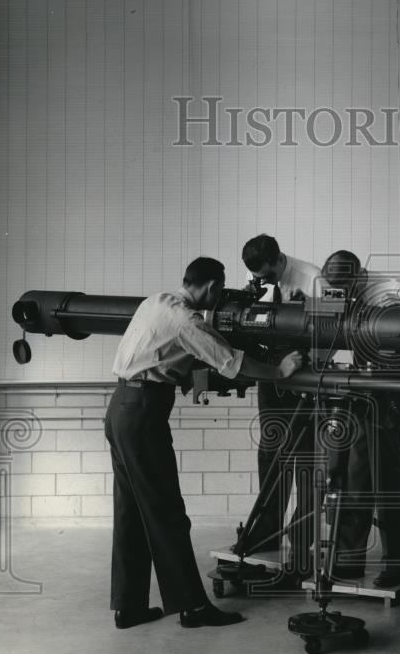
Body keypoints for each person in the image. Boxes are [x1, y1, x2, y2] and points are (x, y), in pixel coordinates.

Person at [106, 256, 303, 629]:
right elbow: (231, 362)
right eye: (220, 291)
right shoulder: (188, 322)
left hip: (119, 408)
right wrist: (278, 370)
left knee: (130, 511)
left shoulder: (157, 301)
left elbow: (160, 351)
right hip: (143, 413)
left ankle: (128, 607)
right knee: (167, 513)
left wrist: (184, 373)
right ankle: (193, 608)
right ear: (212, 287)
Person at [320, 250, 400, 588]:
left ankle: (394, 565)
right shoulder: (335, 292)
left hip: (389, 387)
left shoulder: (393, 291)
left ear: (359, 275)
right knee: (354, 474)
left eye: (344, 286)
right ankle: (348, 558)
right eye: (334, 287)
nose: (339, 292)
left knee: (390, 478)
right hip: (356, 385)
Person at [239, 234, 322, 574]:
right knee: (271, 451)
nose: (260, 282)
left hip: (306, 376)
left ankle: (303, 543)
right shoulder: (255, 278)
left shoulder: (312, 277)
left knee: (304, 457)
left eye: (265, 275)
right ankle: (267, 533)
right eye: (255, 278)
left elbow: (333, 330)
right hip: (272, 374)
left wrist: (303, 311)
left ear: (277, 261)